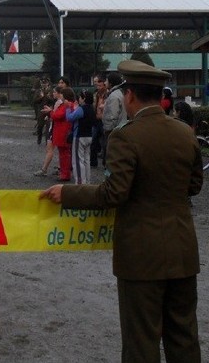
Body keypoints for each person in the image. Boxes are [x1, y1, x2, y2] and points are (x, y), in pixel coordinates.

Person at [41, 60, 203, 362]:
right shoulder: (185, 133)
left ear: (129, 95)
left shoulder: (126, 136)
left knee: (141, 342)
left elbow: (114, 192)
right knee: (184, 339)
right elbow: (194, 186)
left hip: (141, 257)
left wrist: (68, 193)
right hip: (183, 252)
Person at [41, 87, 74, 181]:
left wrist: (50, 112)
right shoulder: (66, 104)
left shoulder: (66, 105)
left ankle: (65, 174)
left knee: (64, 155)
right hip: (62, 132)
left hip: (62, 132)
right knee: (63, 154)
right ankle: (64, 173)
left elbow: (57, 115)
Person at [65, 89, 94, 184]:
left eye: (81, 97)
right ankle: (87, 181)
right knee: (86, 160)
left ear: (84, 99)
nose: (79, 99)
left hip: (79, 136)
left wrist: (68, 108)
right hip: (89, 136)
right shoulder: (91, 108)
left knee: (77, 160)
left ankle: (80, 182)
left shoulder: (82, 109)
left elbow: (70, 118)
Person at [102, 72, 126, 167]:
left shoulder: (114, 96)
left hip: (113, 130)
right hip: (119, 128)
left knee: (111, 157)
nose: (105, 83)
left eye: (107, 81)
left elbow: (112, 116)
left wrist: (107, 129)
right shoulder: (119, 93)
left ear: (111, 83)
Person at [90, 75, 107, 167]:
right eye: (98, 86)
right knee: (93, 141)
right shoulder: (96, 94)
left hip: (104, 120)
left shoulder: (108, 94)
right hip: (96, 120)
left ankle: (105, 163)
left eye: (100, 86)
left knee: (105, 143)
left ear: (104, 85)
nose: (99, 87)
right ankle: (93, 162)